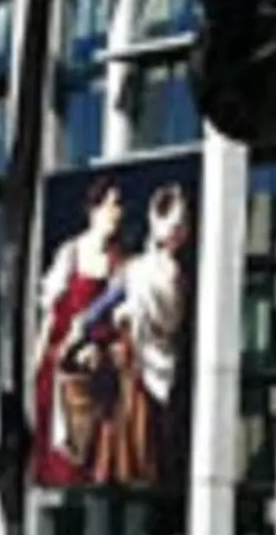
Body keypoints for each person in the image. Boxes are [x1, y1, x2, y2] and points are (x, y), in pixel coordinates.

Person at [59, 182, 192, 485]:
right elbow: (100, 309)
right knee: (125, 440)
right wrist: (82, 335)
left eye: (181, 225)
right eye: (171, 223)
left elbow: (172, 319)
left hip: (159, 367)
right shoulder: (138, 270)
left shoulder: (180, 274)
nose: (176, 232)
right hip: (131, 371)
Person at [32, 178, 124, 484]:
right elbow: (49, 313)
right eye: (112, 205)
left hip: (94, 370)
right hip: (59, 364)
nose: (117, 213)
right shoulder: (70, 253)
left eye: (119, 206)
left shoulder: (116, 263)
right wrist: (37, 361)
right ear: (95, 210)